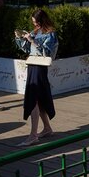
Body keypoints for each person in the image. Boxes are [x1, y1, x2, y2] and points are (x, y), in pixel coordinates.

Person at [15, 9, 58, 146]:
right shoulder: (35, 31)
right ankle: (47, 128)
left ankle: (33, 135)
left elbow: (46, 52)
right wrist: (19, 38)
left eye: (36, 22)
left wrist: (32, 40)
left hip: (40, 67)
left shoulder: (50, 33)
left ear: (42, 21)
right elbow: (28, 50)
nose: (34, 24)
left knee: (33, 98)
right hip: (33, 65)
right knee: (39, 99)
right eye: (33, 22)